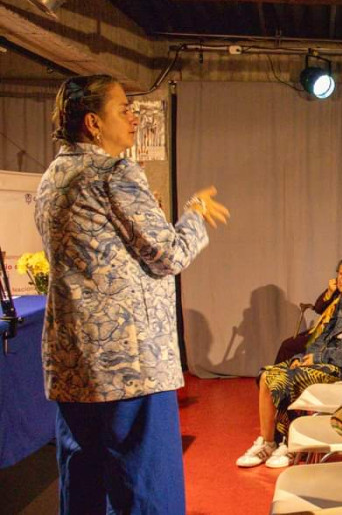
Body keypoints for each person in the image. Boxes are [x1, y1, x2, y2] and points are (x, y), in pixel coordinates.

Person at [34, 75, 229, 514]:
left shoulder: (54, 176)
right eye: (123, 108)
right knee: (145, 490)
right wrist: (194, 213)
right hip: (129, 365)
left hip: (74, 364)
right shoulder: (113, 172)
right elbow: (170, 254)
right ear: (93, 123)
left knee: (83, 486)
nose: (134, 116)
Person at [237, 249, 342, 468]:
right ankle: (269, 442)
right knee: (266, 376)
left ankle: (291, 445)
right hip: (326, 363)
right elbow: (323, 335)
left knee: (288, 380)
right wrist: (307, 355)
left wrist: (320, 357)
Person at [273, 258, 342, 364]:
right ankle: (278, 375)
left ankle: (279, 377)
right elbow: (318, 308)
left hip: (329, 338)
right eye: (340, 274)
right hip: (318, 331)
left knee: (288, 346)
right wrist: (329, 292)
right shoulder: (336, 291)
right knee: (291, 343)